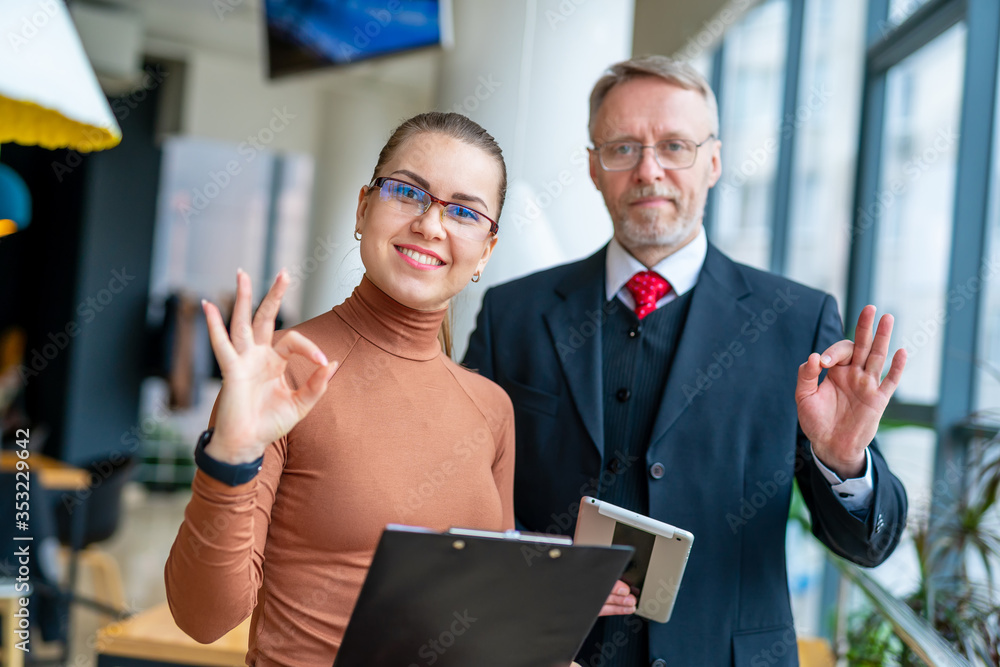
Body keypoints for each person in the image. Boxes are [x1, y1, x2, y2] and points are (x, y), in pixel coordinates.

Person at [463, 56, 909, 667]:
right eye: (623, 147)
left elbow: (868, 545)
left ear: (715, 162)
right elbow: (457, 499)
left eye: (675, 145)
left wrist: (843, 459)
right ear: (594, 166)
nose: (649, 170)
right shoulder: (511, 314)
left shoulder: (794, 321)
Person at [165, 112, 519, 666]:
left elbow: (489, 615)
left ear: (487, 250)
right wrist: (230, 456)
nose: (431, 225)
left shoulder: (492, 410)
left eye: (465, 212)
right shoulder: (279, 376)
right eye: (407, 192)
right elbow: (203, 618)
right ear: (363, 208)